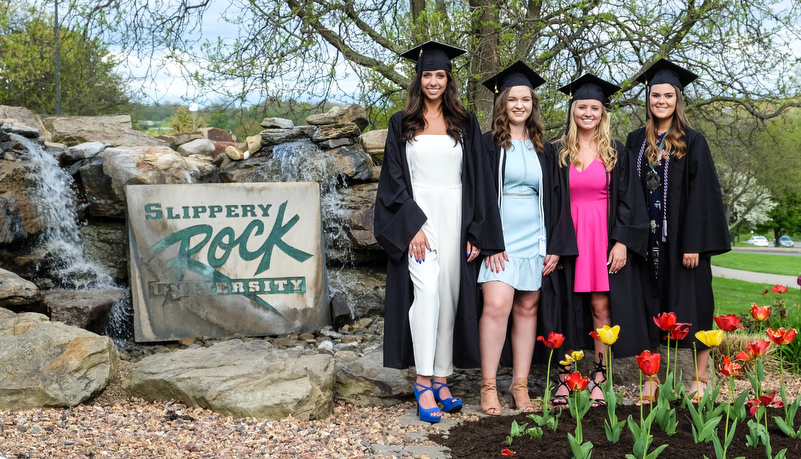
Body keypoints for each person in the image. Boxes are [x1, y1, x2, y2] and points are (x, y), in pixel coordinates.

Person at [373, 41, 504, 423]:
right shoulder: (402, 122)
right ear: (419, 79)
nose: (433, 81)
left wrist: (475, 232)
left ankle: (443, 378)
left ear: (449, 79)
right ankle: (423, 380)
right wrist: (410, 226)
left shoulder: (465, 121)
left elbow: (478, 178)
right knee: (427, 293)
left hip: (455, 215)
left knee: (449, 297)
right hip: (420, 217)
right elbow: (393, 181)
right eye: (427, 75)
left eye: (440, 75)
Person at [625, 59, 730, 400]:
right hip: (645, 243)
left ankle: (700, 379)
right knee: (648, 308)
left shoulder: (693, 140)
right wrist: (629, 238)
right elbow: (625, 191)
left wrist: (694, 244)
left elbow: (704, 195)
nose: (662, 102)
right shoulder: (635, 140)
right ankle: (651, 380)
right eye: (656, 95)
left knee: (693, 305)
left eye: (668, 96)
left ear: (677, 99)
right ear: (648, 99)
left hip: (682, 244)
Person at [477, 61, 576, 415]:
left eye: (526, 99)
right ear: (502, 103)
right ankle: (489, 386)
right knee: (497, 306)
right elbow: (477, 194)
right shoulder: (487, 145)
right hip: (499, 239)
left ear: (533, 105)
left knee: (527, 308)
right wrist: (487, 240)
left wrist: (553, 246)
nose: (519, 105)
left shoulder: (544, 150)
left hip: (534, 238)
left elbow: (557, 199)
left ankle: (520, 386)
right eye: (513, 99)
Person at [554, 74, 650, 407]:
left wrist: (622, 241)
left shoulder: (616, 152)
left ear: (602, 113)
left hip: (602, 237)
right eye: (582, 106)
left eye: (594, 107)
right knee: (566, 307)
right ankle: (567, 378)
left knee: (600, 307)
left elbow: (629, 200)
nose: (588, 113)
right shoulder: (558, 152)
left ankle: (600, 376)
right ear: (573, 110)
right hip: (568, 234)